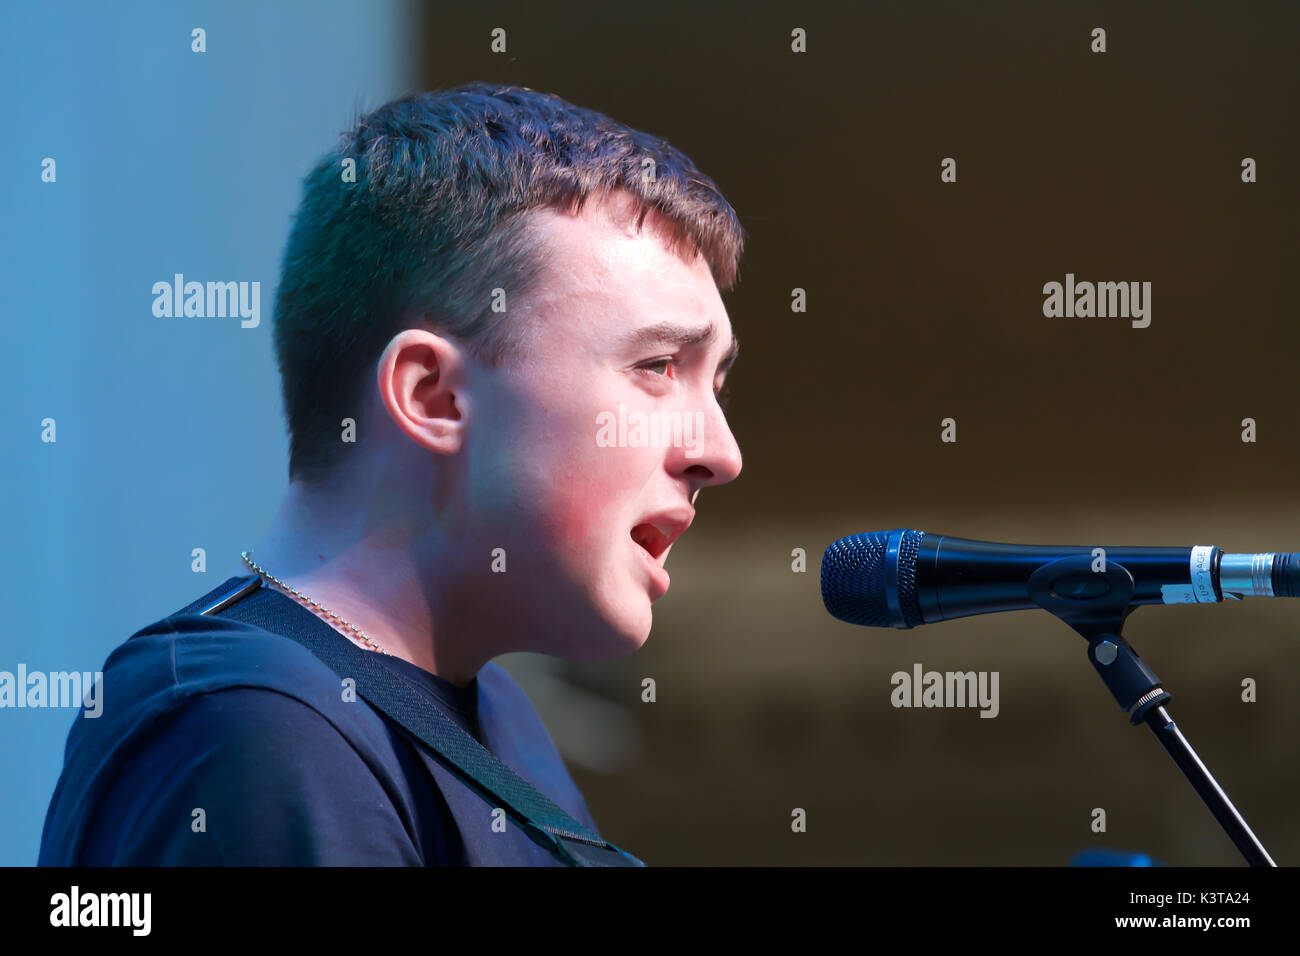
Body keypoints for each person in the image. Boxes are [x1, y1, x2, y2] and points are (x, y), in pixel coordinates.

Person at [38, 82, 745, 865]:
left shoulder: (502, 727)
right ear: (432, 396)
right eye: (657, 366)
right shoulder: (254, 724)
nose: (720, 451)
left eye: (715, 385)